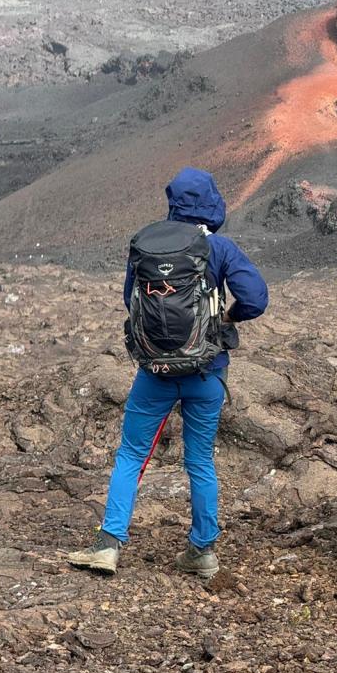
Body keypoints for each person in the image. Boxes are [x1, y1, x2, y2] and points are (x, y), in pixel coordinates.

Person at [68, 167, 268, 578]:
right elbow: (256, 298)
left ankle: (108, 545)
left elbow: (129, 299)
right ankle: (202, 550)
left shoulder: (147, 245)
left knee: (131, 454)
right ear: (212, 202)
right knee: (200, 460)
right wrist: (226, 318)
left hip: (155, 373)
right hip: (207, 372)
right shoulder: (219, 248)